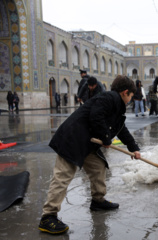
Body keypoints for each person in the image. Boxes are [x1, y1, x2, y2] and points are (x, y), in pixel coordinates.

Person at [38, 75, 141, 235]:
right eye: (131, 96)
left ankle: (98, 201)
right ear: (125, 92)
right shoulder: (109, 98)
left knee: (98, 167)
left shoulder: (116, 105)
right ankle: (48, 216)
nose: (131, 99)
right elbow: (96, 116)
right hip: (72, 139)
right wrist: (106, 137)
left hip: (86, 142)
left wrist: (133, 148)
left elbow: (121, 129)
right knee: (63, 176)